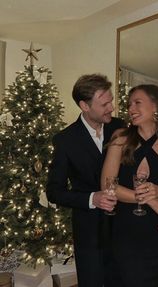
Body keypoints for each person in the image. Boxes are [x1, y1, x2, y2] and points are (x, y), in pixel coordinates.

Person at [101, 84, 158, 287]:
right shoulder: (121, 138)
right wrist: (151, 201)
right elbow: (108, 185)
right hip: (125, 234)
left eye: (137, 103)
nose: (131, 109)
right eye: (129, 104)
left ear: (156, 106)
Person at [46, 74, 125, 287]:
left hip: (124, 229)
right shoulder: (65, 140)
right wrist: (92, 199)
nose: (112, 107)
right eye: (105, 103)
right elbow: (53, 191)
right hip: (90, 236)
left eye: (111, 100)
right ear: (84, 106)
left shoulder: (122, 127)